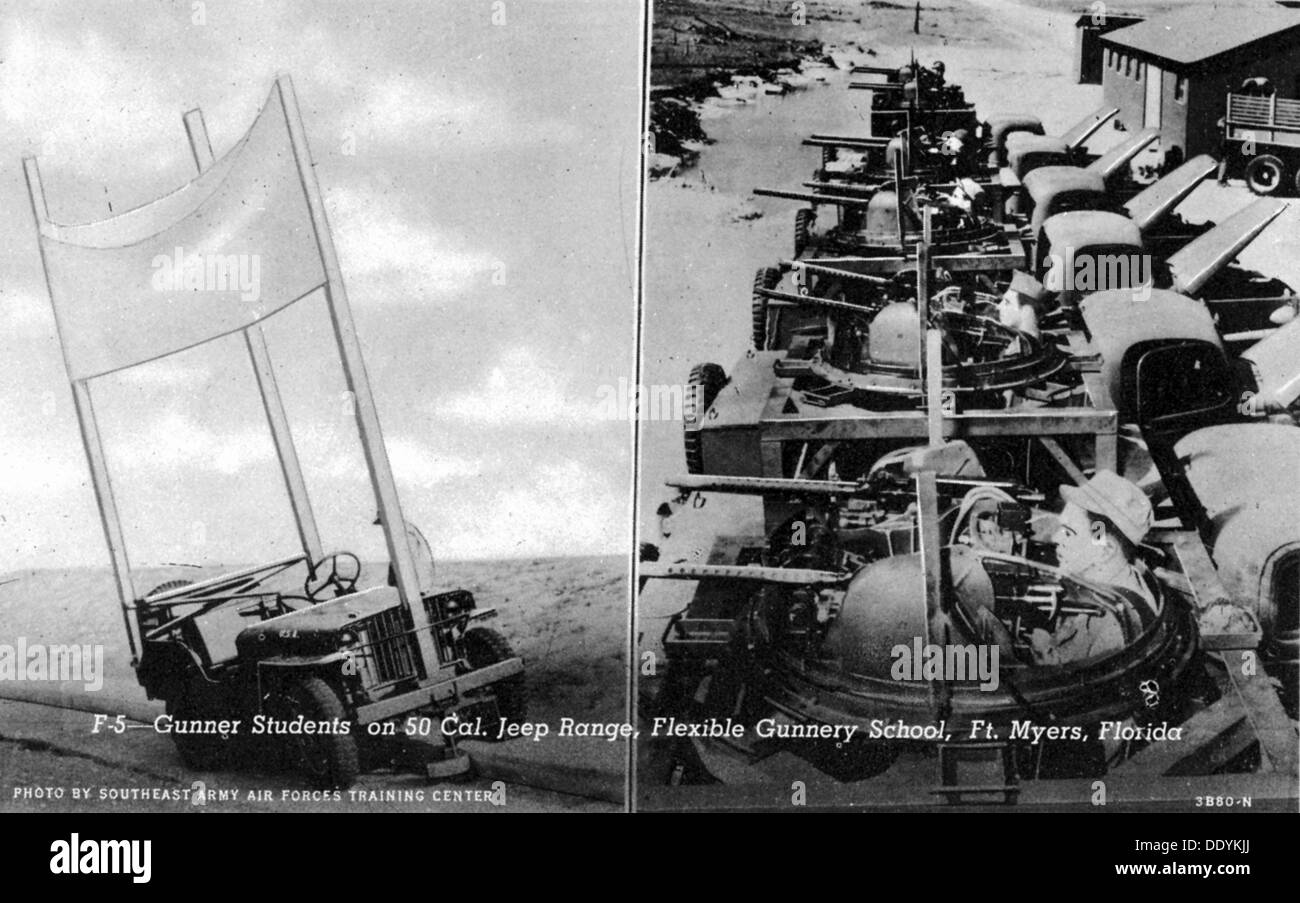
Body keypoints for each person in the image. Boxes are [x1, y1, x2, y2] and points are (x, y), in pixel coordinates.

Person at [1031, 470, 1159, 664]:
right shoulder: (1106, 581)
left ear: (1106, 550)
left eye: (1069, 533)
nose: (1056, 538)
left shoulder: (1114, 630)